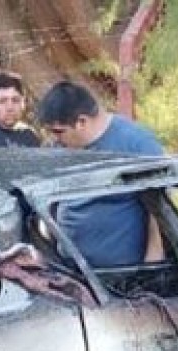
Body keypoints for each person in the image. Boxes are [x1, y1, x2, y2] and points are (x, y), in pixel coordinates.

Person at [35, 80, 166, 267]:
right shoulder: (61, 148)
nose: (56, 139)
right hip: (70, 271)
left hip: (120, 276)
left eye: (59, 132)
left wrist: (153, 263)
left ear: (82, 122)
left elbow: (159, 209)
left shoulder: (136, 144)